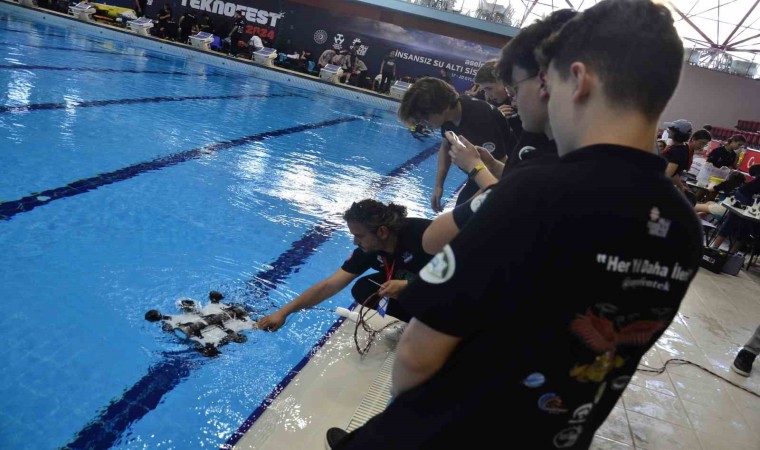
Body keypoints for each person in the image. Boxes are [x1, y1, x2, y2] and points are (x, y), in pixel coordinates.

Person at [326, 1, 702, 448]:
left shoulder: (534, 194)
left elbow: (417, 354)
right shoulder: (683, 225)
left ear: (577, 80)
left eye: (548, 82)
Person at [421, 9, 576, 255]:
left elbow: (512, 201)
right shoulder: (541, 141)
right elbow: (515, 179)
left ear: (545, 82)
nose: (513, 98)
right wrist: (491, 165)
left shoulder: (558, 157)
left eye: (516, 88)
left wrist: (476, 168)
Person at [257, 200, 433, 331]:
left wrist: (412, 285)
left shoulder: (424, 235)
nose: (355, 242)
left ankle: (435, 328)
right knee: (365, 289)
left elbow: (452, 277)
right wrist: (283, 312)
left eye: (359, 236)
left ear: (382, 232)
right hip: (416, 284)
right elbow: (329, 285)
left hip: (444, 290)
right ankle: (415, 324)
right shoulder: (369, 250)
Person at [397, 77, 510, 211]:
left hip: (507, 180)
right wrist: (439, 185)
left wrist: (463, 211)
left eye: (424, 118)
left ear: (442, 107)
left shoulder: (482, 119)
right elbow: (446, 146)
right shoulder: (450, 115)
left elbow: (500, 173)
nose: (423, 124)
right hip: (478, 174)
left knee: (463, 215)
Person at [145, 291, 256, 357]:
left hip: (211, 337)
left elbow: (166, 322)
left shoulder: (178, 319)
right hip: (219, 333)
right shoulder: (211, 308)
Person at [710, 164, 760, 252]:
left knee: (744, 227)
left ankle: (730, 253)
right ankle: (715, 249)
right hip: (744, 195)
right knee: (733, 221)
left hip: (747, 196)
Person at [663, 119, 693, 192]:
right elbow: (674, 172)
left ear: (677, 133)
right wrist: (681, 186)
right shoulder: (682, 148)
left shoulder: (677, 151)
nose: (668, 131)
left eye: (671, 129)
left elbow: (667, 174)